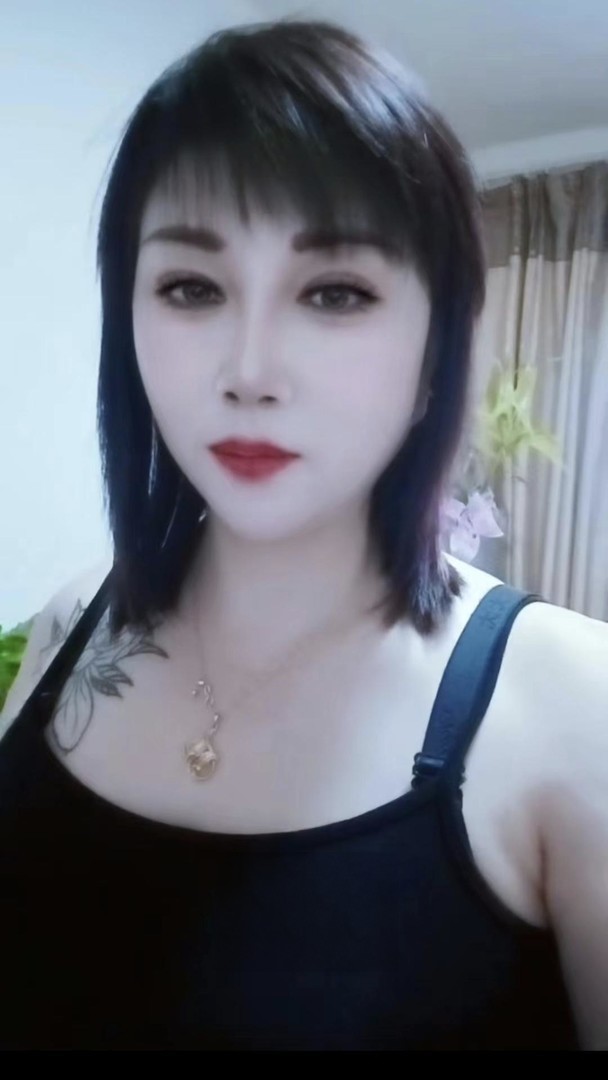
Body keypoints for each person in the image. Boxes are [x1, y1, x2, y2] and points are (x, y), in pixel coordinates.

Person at [1, 17, 607, 1052]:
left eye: (335, 292)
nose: (249, 370)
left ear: (437, 345)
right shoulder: (69, 630)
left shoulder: (574, 705)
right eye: (191, 288)